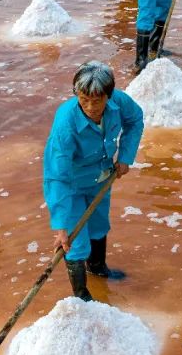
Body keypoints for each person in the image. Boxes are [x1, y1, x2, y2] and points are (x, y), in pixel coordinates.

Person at [44, 62, 144, 300]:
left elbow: (136, 120)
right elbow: (57, 175)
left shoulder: (119, 103)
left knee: (99, 225)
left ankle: (98, 268)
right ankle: (81, 295)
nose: (89, 106)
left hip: (102, 176)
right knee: (74, 241)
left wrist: (125, 156)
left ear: (108, 97)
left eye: (97, 100)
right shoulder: (65, 124)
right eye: (83, 99)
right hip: (72, 184)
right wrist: (59, 224)